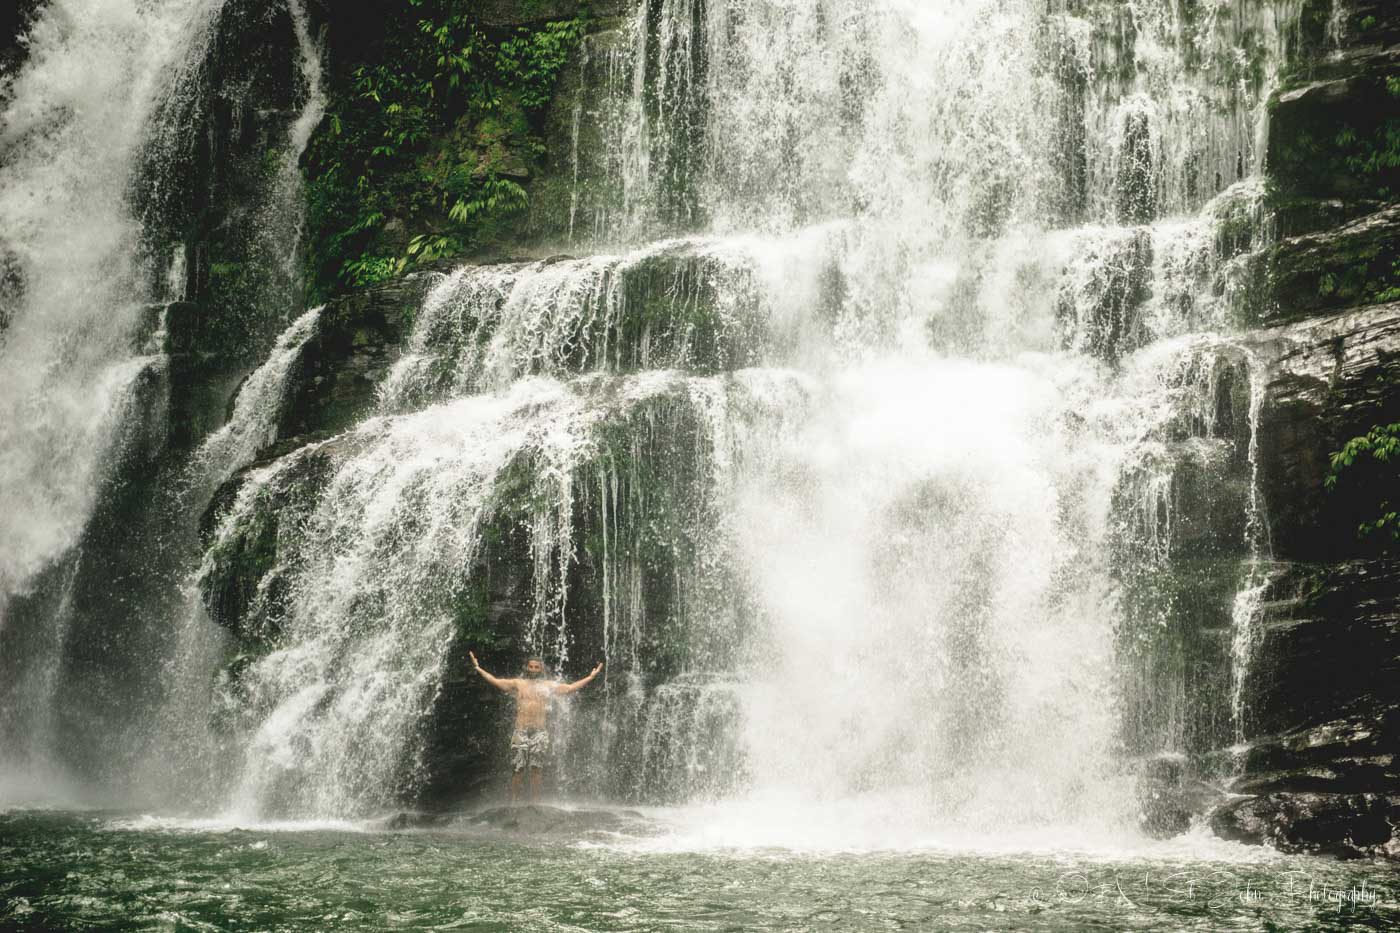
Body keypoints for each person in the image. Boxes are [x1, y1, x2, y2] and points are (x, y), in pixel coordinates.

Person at [469, 651, 603, 803]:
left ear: (541, 669)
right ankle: (514, 802)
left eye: (536, 667)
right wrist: (478, 668)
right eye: (531, 666)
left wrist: (591, 677)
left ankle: (535, 803)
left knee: (536, 769)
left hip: (540, 732)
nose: (533, 669)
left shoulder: (548, 686)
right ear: (526, 668)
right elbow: (495, 681)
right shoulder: (518, 684)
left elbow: (570, 688)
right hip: (521, 731)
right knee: (517, 769)